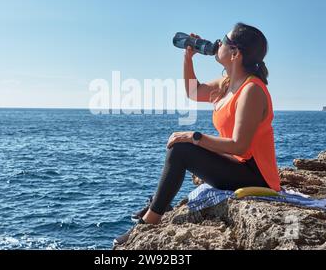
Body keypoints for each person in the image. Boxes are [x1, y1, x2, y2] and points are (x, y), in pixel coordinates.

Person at [113, 23, 281, 246]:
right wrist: (188, 58)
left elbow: (239, 146)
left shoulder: (252, 90)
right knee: (181, 146)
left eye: (223, 40)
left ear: (235, 53)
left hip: (256, 176)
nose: (217, 43)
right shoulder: (227, 83)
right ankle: (157, 205)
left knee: (182, 148)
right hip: (238, 165)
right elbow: (193, 91)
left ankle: (149, 220)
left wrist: (195, 137)